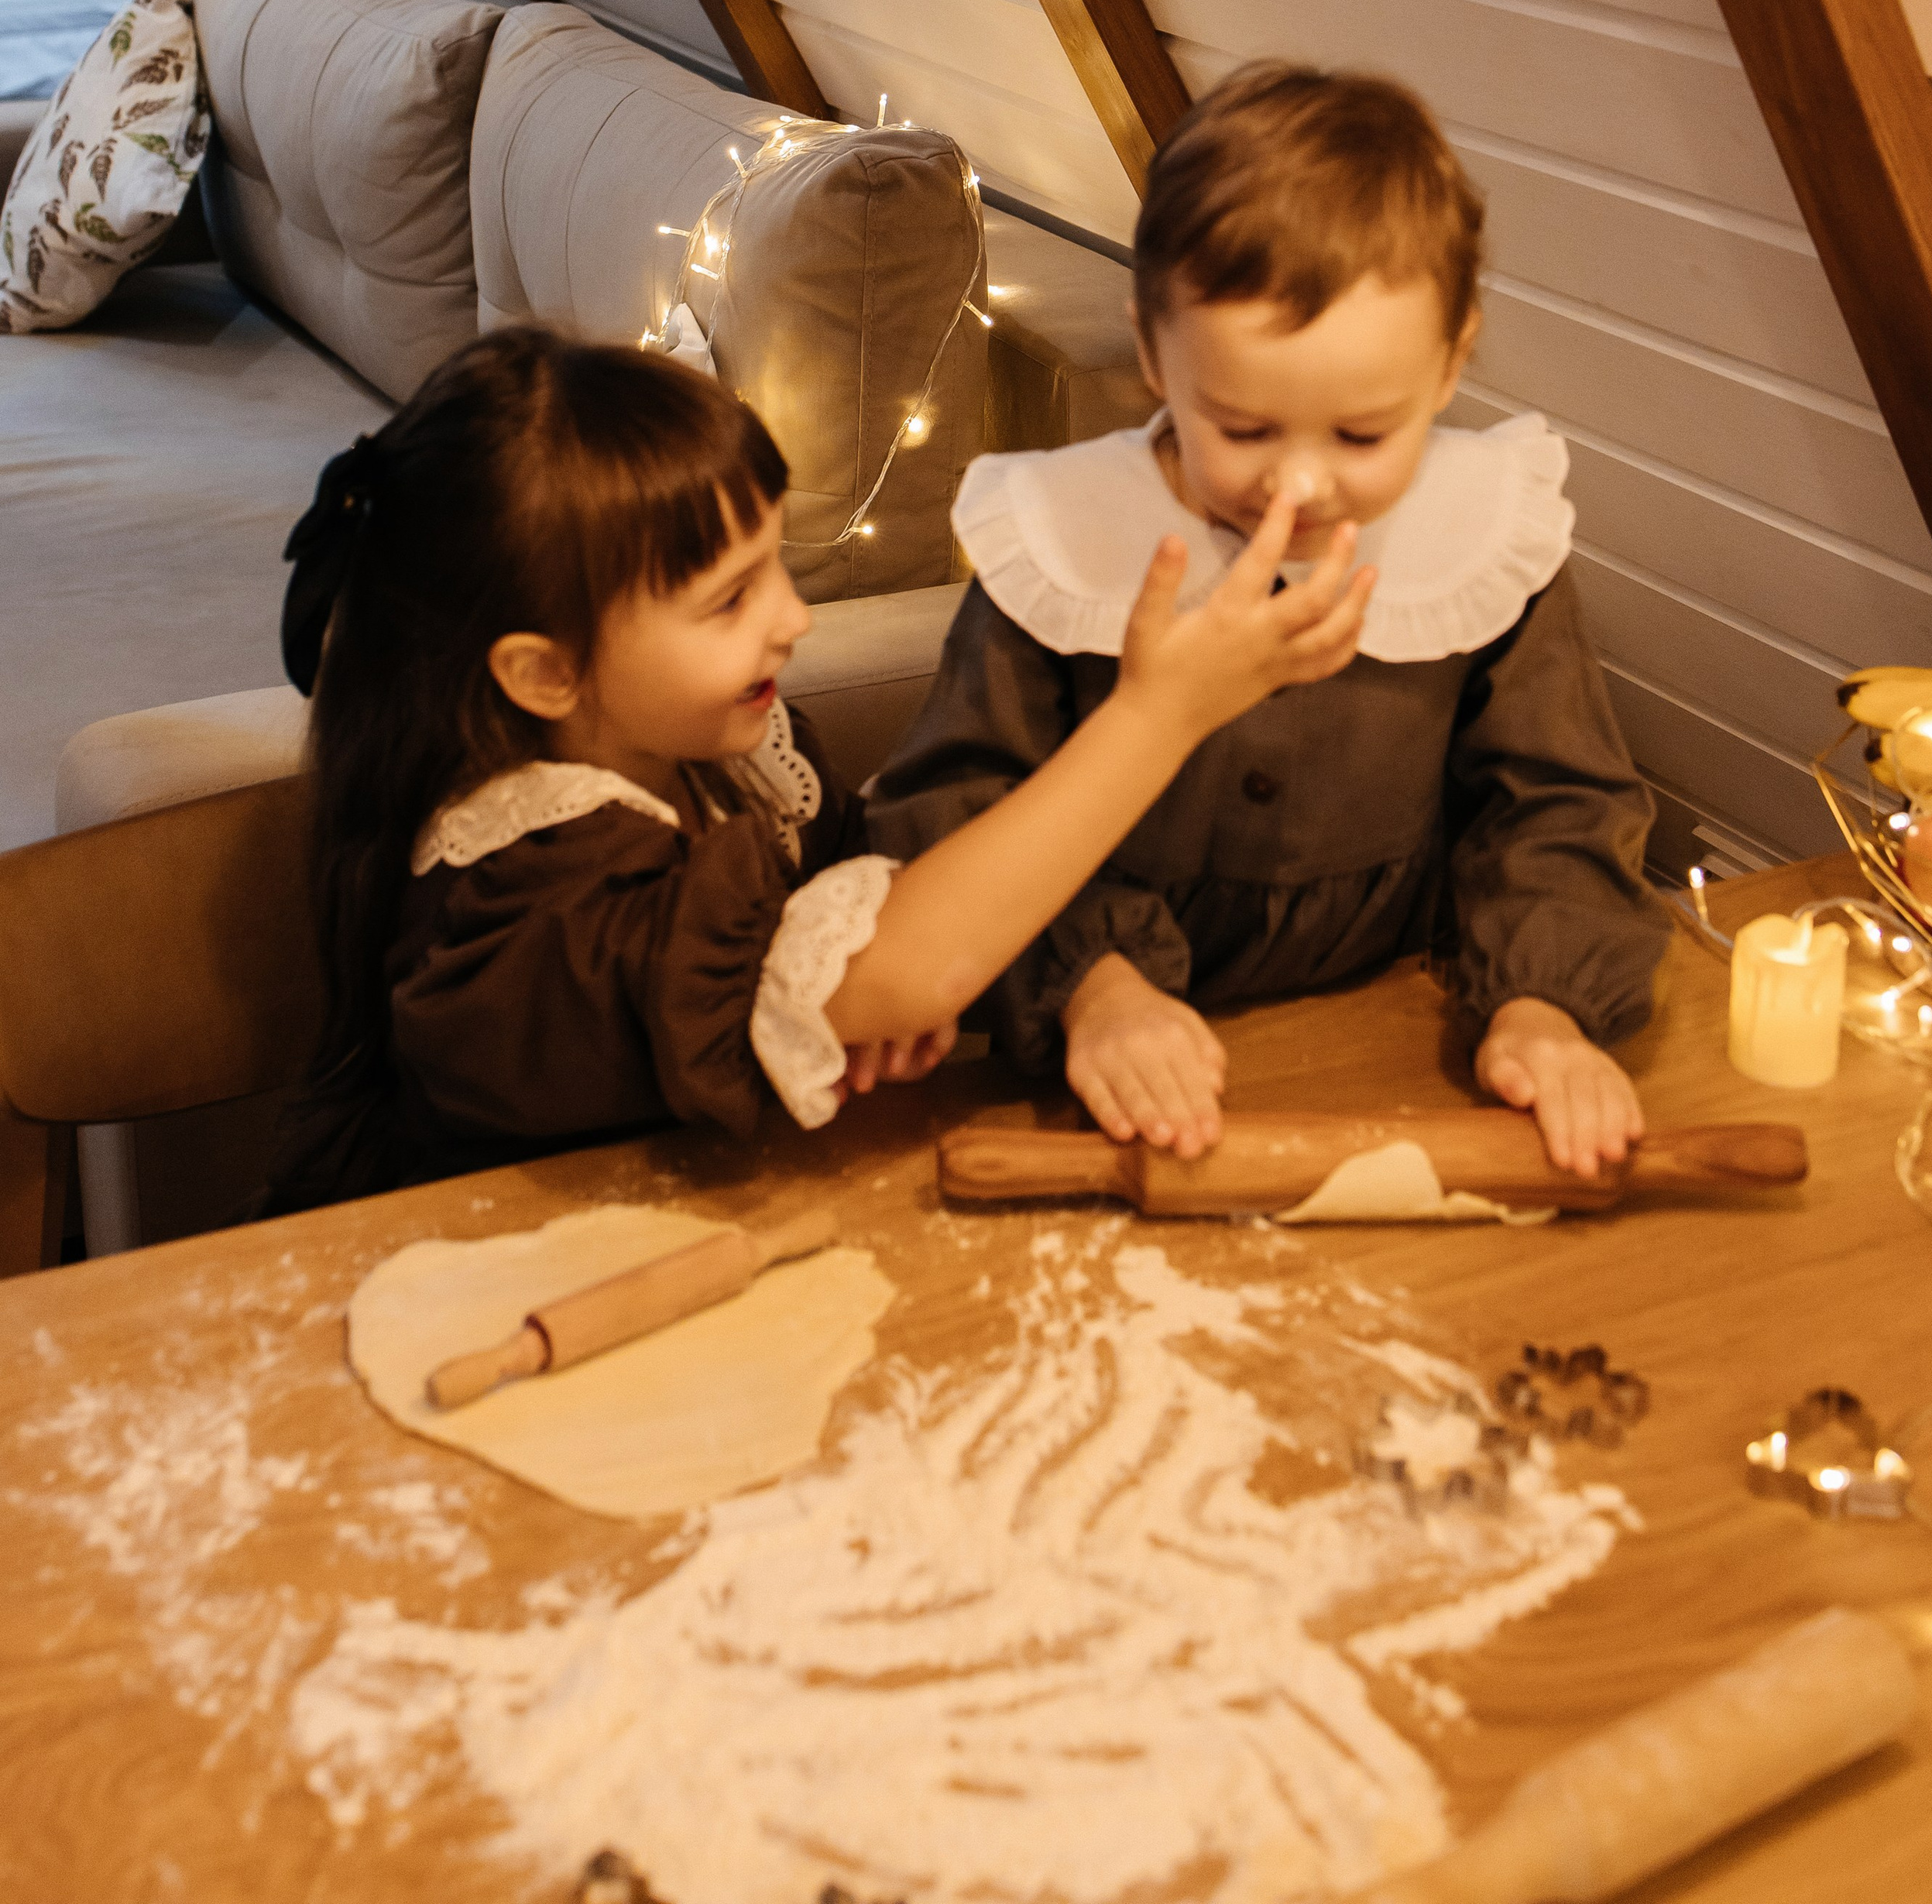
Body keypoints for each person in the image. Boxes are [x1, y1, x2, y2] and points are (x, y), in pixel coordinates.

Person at [261, 321, 1369, 1213]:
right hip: (486, 1294)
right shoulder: (521, 909)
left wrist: (866, 1001)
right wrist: (1160, 716)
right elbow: (907, 964)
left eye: (776, 568)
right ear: (545, 676)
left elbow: (877, 931)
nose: (792, 619)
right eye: (728, 600)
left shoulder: (712, 768)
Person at [864, 64, 1669, 1180]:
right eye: (1241, 428)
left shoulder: (1491, 531)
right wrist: (1097, 985)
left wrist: (1541, 1005)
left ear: (1452, 360)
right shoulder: (1061, 535)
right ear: (1155, 357)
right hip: (1098, 1061)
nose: (1299, 489)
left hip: (1396, 1039)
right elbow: (954, 808)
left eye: (1360, 436)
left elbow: (1559, 804)